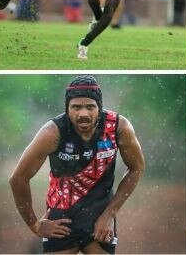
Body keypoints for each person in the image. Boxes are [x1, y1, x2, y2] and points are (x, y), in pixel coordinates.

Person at [8, 75, 145, 253]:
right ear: (67, 109)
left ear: (99, 107)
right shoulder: (53, 132)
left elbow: (137, 168)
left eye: (90, 107)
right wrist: (34, 225)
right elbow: (18, 179)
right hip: (61, 220)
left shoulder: (119, 127)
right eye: (76, 107)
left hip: (100, 218)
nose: (83, 114)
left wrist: (109, 214)